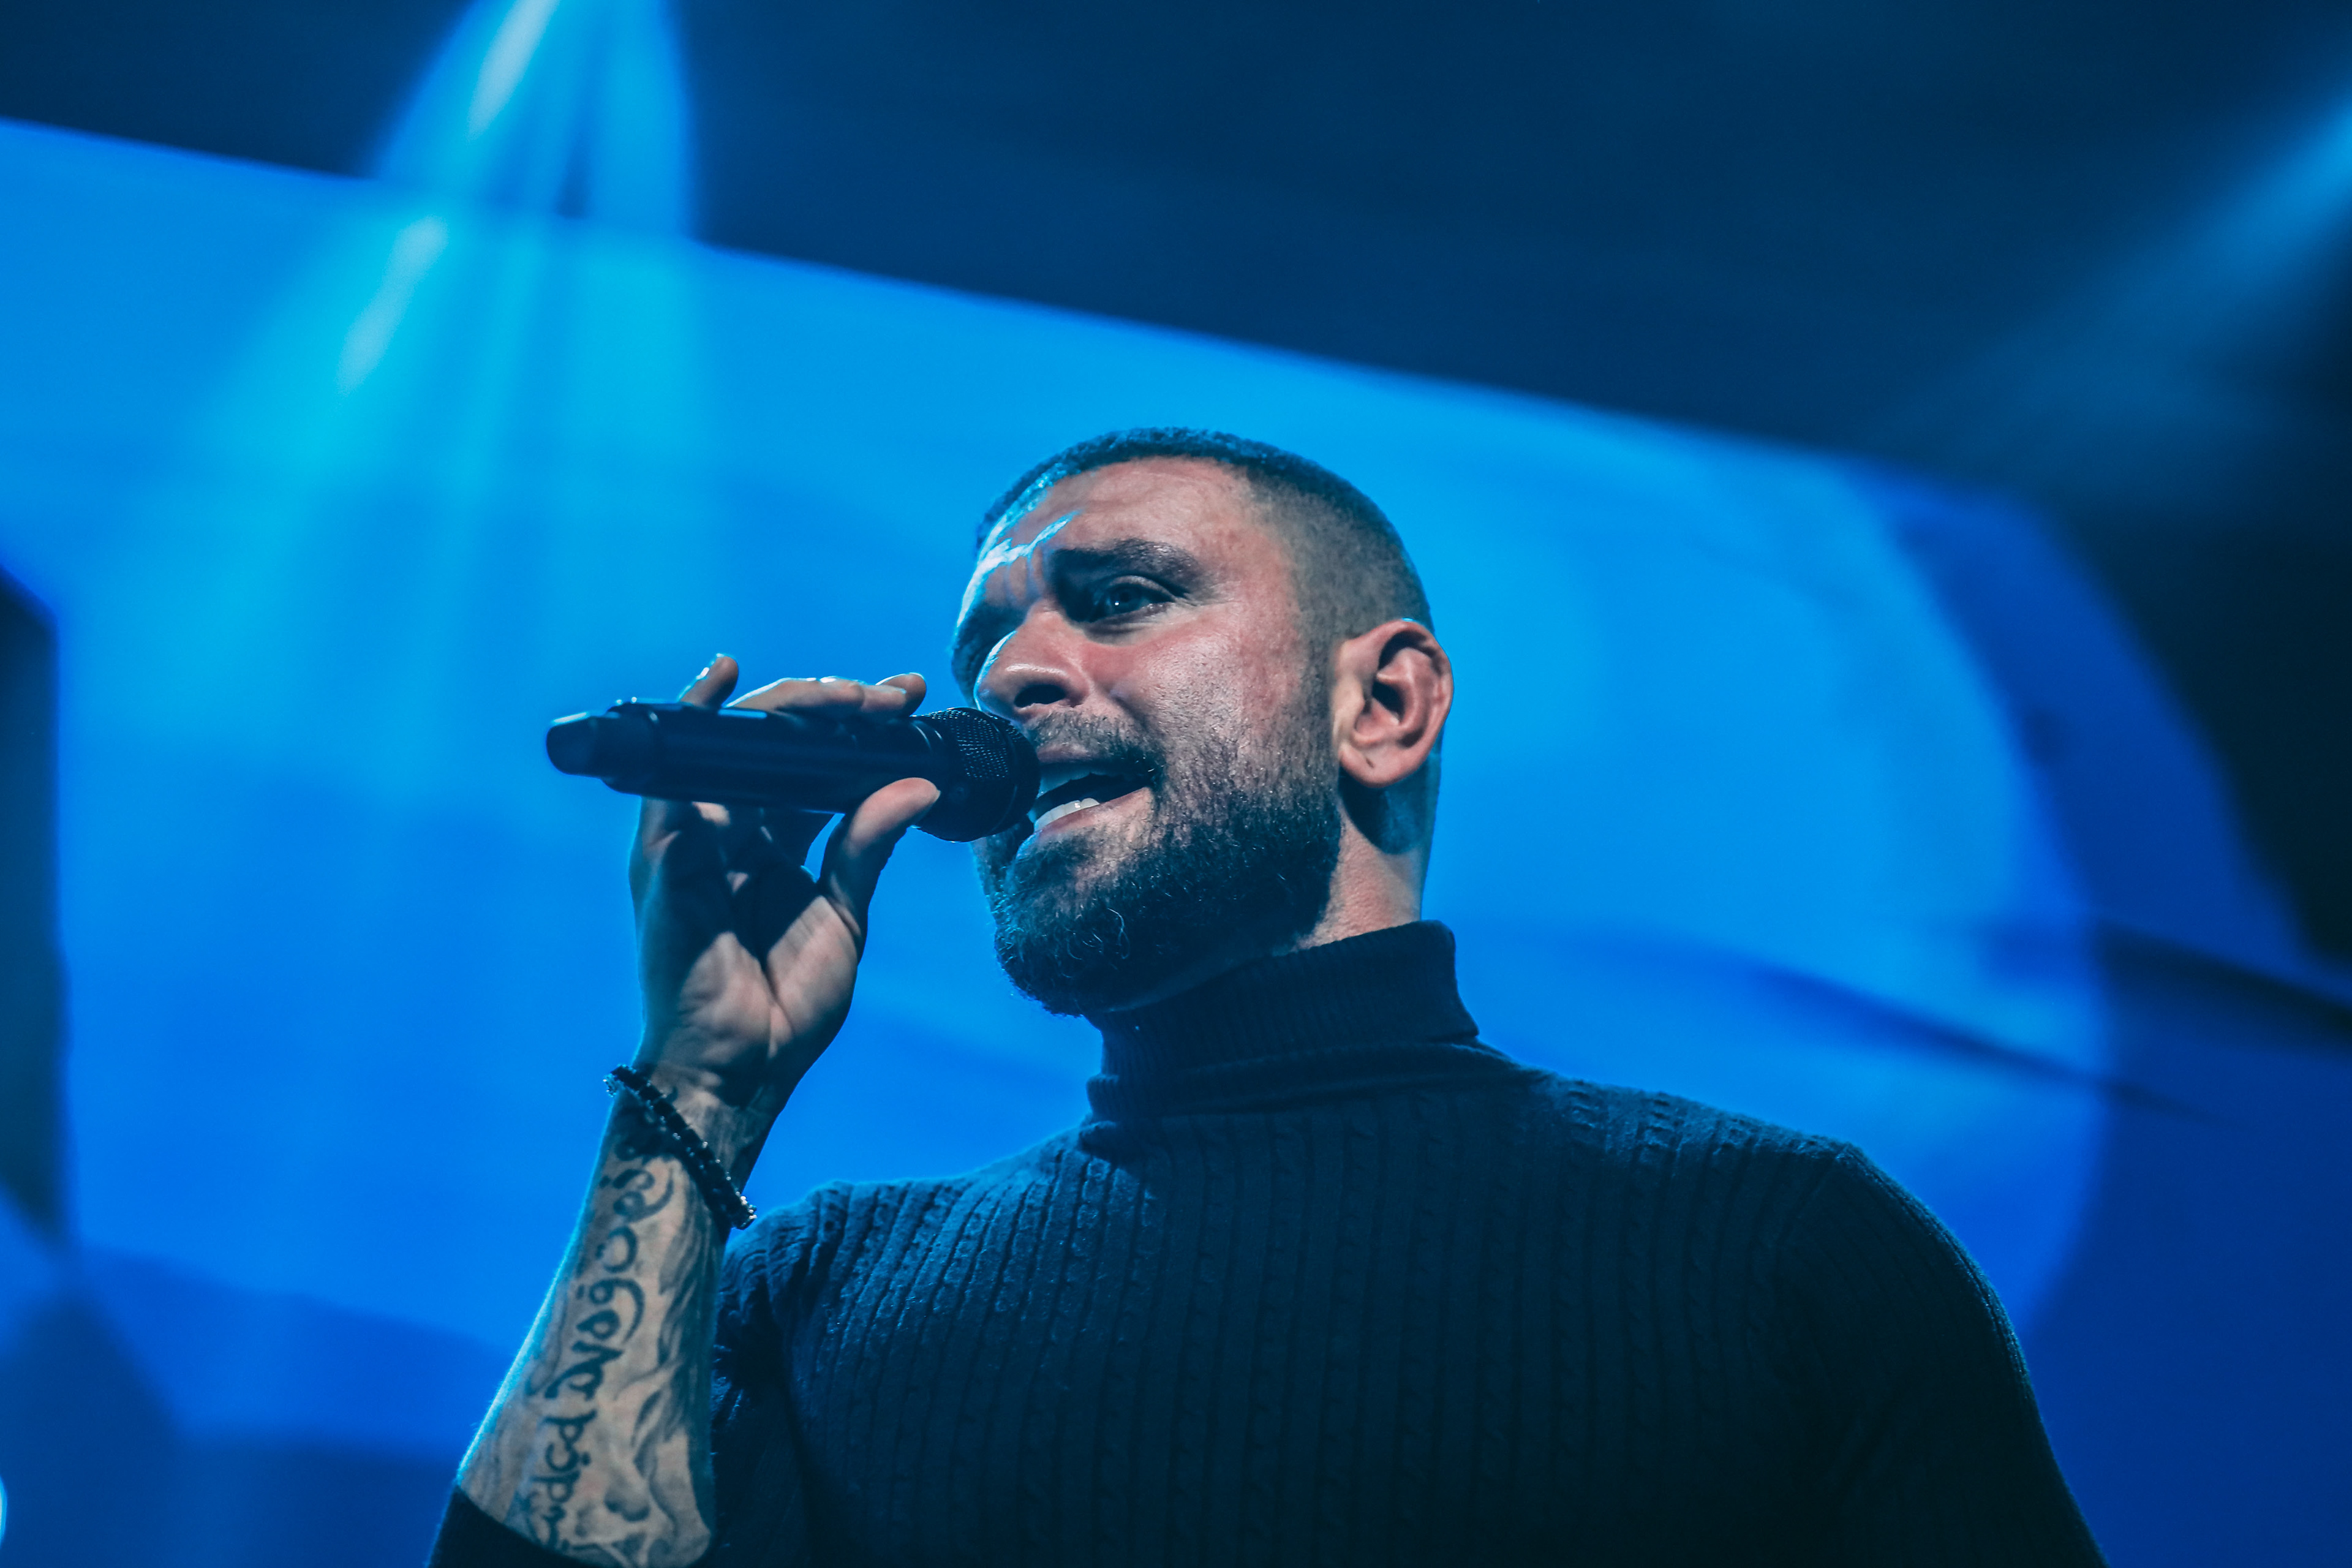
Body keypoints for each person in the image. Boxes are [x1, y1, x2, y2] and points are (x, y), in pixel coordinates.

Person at [429, 429, 2106, 1567]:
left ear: (1384, 707)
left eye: (1121, 598)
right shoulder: (821, 1291)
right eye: (987, 645)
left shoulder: (1779, 1247)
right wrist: (700, 1086)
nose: (1011, 678)